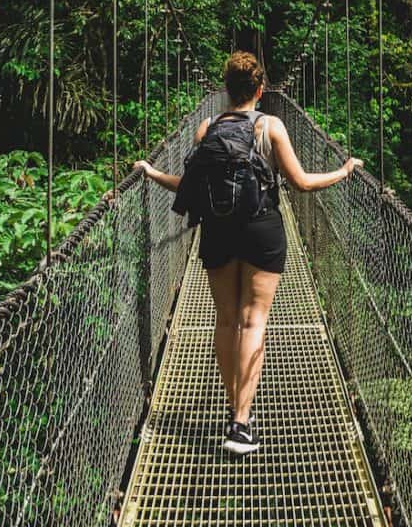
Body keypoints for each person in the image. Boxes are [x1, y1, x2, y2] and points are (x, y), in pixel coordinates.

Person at [134, 51, 363, 456]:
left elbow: (188, 187)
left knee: (225, 321)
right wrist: (344, 172)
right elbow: (302, 184)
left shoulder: (207, 128)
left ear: (226, 89)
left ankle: (233, 408)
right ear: (260, 89)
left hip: (217, 231)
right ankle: (241, 422)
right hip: (261, 228)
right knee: (252, 320)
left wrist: (152, 173)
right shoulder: (271, 126)